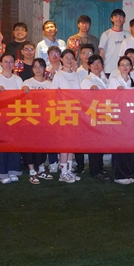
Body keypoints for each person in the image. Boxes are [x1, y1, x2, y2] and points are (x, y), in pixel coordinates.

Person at [0, 53, 24, 184]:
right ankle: (2, 172)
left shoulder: (18, 80)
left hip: (15, 116)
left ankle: (13, 170)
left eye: (11, 62)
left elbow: (22, 98)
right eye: (6, 61)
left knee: (14, 143)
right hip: (1, 117)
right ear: (1, 63)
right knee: (2, 145)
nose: (8, 64)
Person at [51, 49, 83, 182]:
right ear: (61, 59)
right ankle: (63, 172)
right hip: (63, 113)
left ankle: (69, 170)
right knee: (65, 143)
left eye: (71, 58)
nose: (69, 60)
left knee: (72, 143)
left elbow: (81, 94)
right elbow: (53, 95)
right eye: (66, 58)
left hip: (75, 113)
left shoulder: (77, 75)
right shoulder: (58, 76)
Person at [21, 58, 54, 185]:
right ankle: (32, 171)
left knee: (43, 144)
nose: (38, 69)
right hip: (29, 119)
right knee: (29, 145)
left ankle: (41, 168)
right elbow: (21, 97)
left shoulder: (50, 84)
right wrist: (24, 89)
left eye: (40, 66)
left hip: (44, 119)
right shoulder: (27, 82)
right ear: (32, 69)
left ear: (44, 68)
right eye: (35, 66)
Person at [108, 56, 134, 185]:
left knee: (129, 147)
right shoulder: (114, 80)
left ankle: (127, 173)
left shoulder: (133, 82)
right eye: (122, 65)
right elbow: (109, 98)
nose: (125, 67)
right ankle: (119, 175)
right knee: (119, 148)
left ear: (131, 67)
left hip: (130, 119)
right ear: (118, 67)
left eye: (127, 65)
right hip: (118, 118)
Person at [80, 55, 110, 180]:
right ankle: (95, 171)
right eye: (93, 64)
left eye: (99, 63)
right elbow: (85, 99)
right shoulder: (87, 81)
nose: (96, 66)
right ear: (89, 66)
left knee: (101, 144)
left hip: (105, 115)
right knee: (95, 144)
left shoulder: (106, 79)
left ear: (102, 66)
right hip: (93, 116)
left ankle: (100, 168)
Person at [99, 9, 130, 73]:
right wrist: (101, 69)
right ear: (112, 19)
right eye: (116, 17)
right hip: (108, 69)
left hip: (123, 70)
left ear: (124, 19)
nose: (118, 19)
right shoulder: (106, 34)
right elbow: (102, 53)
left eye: (121, 16)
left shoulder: (128, 35)